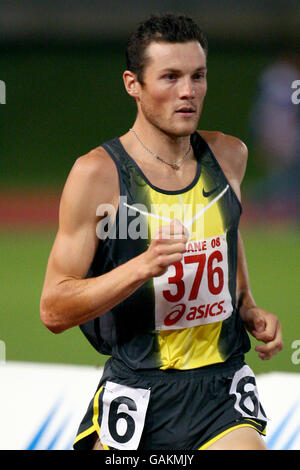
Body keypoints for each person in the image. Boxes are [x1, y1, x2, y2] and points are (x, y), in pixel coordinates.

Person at [40, 13, 283, 451]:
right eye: (170, 77)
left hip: (220, 388)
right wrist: (141, 267)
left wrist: (246, 304)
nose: (188, 91)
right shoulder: (97, 175)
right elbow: (54, 309)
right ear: (133, 83)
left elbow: (229, 229)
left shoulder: (229, 155)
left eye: (198, 76)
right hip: (138, 388)